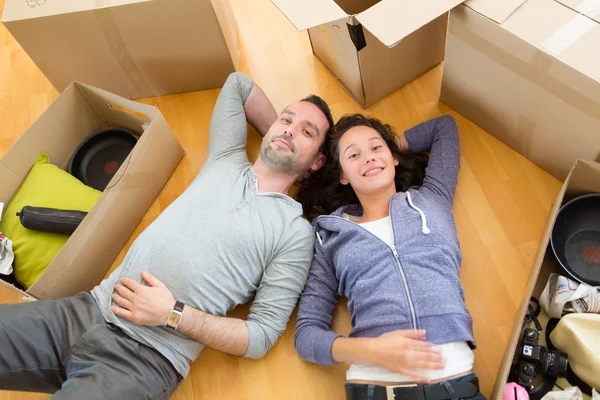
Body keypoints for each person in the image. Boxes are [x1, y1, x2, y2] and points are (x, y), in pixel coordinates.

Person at [0, 72, 333, 399]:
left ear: (317, 162)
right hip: (87, 312)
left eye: (307, 132)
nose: (289, 129)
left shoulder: (294, 231)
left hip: (143, 359)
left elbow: (261, 336)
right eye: (286, 119)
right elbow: (238, 85)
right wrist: (284, 135)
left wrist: (173, 314)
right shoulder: (227, 159)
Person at [295, 114, 486, 400]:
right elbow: (306, 335)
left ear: (394, 156)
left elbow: (443, 126)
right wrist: (370, 350)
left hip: (456, 388)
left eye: (376, 148)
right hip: (375, 389)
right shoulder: (329, 236)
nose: (369, 158)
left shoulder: (433, 197)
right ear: (343, 175)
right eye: (354, 155)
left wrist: (386, 148)